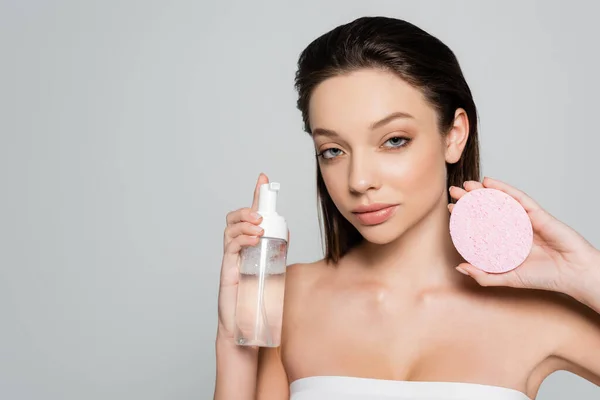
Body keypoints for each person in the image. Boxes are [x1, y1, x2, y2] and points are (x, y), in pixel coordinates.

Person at [214, 16, 600, 400]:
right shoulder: (288, 297)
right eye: (333, 150)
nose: (359, 180)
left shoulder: (539, 311)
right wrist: (234, 344)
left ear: (454, 135)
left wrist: (586, 273)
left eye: (394, 140)